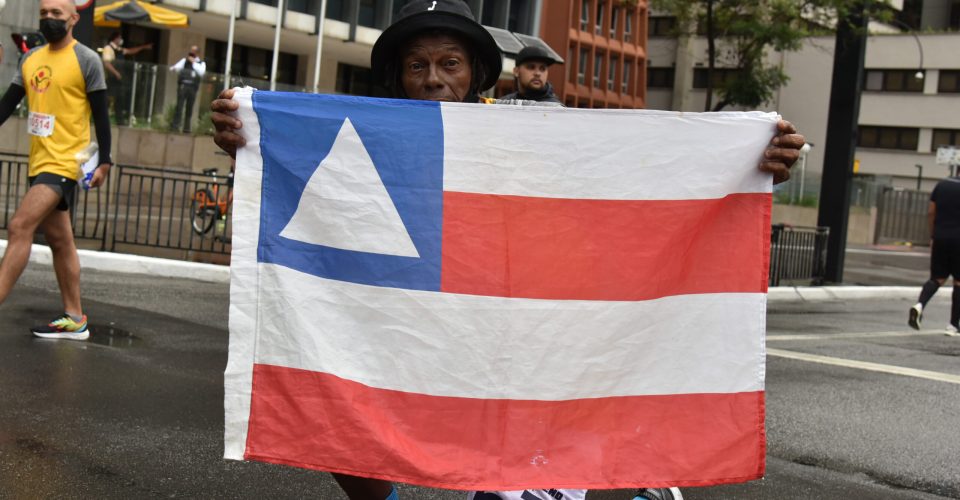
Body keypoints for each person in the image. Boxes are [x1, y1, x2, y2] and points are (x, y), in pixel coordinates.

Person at [211, 1, 804, 498]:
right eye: (417, 65)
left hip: (502, 325)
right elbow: (297, 184)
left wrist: (745, 168)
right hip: (404, 321)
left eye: (449, 62)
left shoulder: (526, 135)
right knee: (337, 410)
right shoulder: (357, 136)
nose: (433, 78)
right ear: (398, 76)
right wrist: (249, 140)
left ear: (477, 74)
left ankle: (607, 482)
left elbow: (625, 176)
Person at [0, 0, 113, 339]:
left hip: (66, 163)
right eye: (44, 14)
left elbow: (102, 116)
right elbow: (7, 105)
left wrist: (105, 160)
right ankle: (75, 318)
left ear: (74, 19)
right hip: (39, 162)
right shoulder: (30, 58)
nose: (49, 19)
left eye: (56, 14)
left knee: (20, 226)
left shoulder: (87, 60)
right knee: (60, 240)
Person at [908, 174, 960, 336]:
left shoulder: (942, 185)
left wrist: (933, 234)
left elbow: (931, 212)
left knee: (937, 278)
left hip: (940, 238)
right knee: (958, 282)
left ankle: (920, 305)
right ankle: (953, 325)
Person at [101, 31, 152, 126]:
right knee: (107, 100)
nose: (121, 40)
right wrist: (116, 73)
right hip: (111, 79)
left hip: (118, 80)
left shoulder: (119, 49)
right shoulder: (108, 48)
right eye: (119, 38)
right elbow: (107, 63)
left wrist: (144, 47)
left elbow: (130, 51)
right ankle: (102, 119)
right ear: (115, 38)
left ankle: (120, 121)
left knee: (119, 100)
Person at [169, 45, 206, 133]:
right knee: (179, 106)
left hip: (193, 87)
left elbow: (201, 73)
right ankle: (175, 126)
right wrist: (175, 69)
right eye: (191, 50)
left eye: (194, 51)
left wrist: (193, 63)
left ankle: (186, 128)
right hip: (183, 86)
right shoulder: (184, 61)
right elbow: (174, 68)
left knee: (189, 107)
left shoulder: (201, 63)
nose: (192, 52)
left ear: (197, 53)